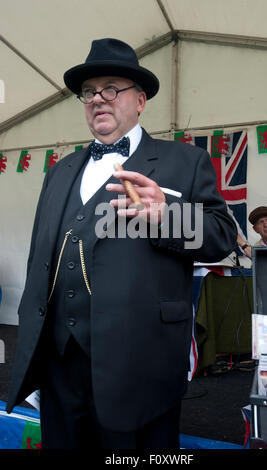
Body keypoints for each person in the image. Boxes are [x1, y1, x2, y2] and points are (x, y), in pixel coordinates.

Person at [6, 38, 237, 449]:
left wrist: (168, 215)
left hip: (140, 360)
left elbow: (221, 237)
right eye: (90, 92)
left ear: (141, 100)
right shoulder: (60, 171)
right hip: (59, 360)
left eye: (112, 88)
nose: (99, 99)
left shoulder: (184, 162)